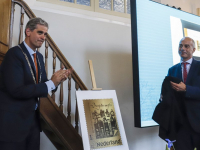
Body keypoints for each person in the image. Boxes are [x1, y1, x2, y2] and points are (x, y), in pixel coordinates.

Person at [0, 18, 73, 150]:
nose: (43, 37)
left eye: (45, 34)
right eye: (40, 32)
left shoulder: (38, 57)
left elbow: (41, 84)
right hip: (13, 124)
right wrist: (51, 83)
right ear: (28, 31)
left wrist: (56, 80)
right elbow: (16, 90)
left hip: (32, 121)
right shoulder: (14, 54)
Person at [168, 37, 200, 150]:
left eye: (187, 46)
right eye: (180, 45)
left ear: (194, 49)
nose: (183, 48)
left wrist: (186, 89)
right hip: (181, 125)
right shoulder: (172, 70)